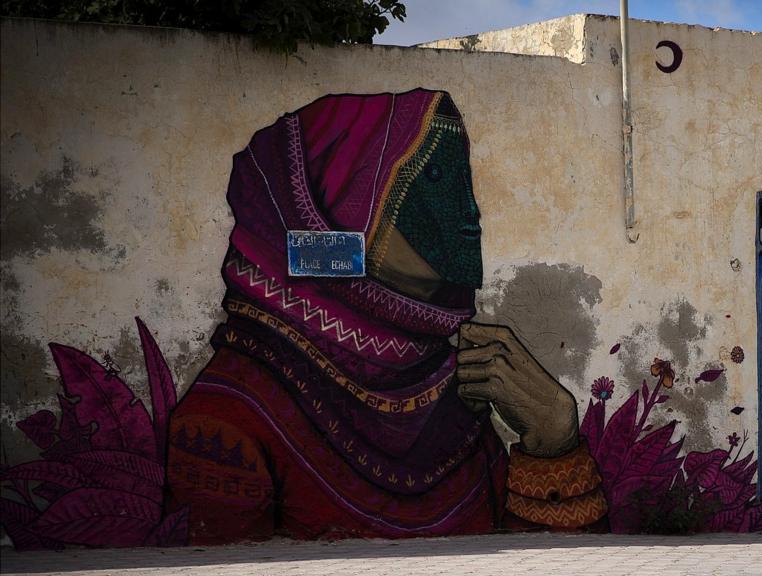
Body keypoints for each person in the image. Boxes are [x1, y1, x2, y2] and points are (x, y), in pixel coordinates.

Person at [164, 90, 607, 543]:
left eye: (465, 181)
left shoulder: (453, 394)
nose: (471, 213)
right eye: (434, 178)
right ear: (330, 207)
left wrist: (553, 442)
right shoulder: (231, 419)